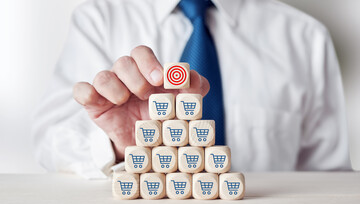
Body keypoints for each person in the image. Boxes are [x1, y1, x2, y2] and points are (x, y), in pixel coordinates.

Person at [33, 0, 351, 179]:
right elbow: (48, 143)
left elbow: (331, 182)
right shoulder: (99, 20)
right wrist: (119, 146)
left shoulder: (306, 38)